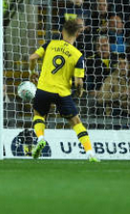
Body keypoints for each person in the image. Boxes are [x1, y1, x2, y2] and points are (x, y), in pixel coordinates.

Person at [28, 19, 99, 162]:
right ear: (78, 34)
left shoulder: (50, 44)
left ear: (62, 31)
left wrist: (32, 71)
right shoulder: (78, 55)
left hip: (43, 89)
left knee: (39, 115)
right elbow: (79, 81)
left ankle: (41, 138)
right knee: (76, 122)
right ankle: (90, 153)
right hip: (62, 93)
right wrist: (79, 90)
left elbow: (33, 57)